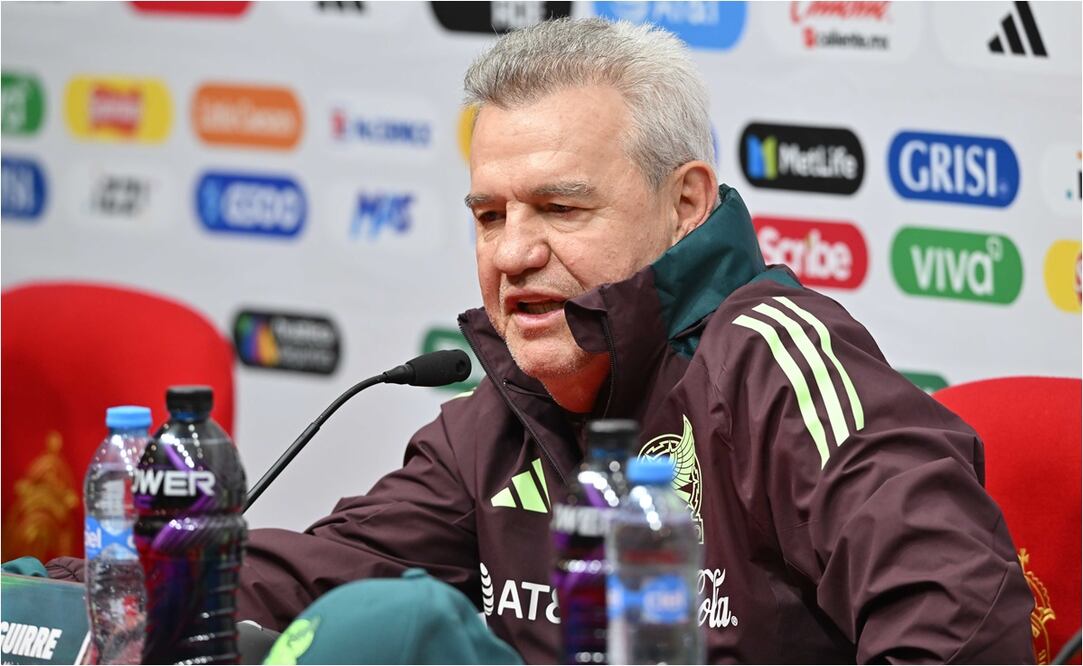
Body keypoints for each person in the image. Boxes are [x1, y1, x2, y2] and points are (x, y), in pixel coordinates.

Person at [47, 18, 1035, 663]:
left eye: (560, 208)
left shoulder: (777, 363)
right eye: (488, 216)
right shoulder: (498, 417)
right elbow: (310, 579)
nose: (513, 253)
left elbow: (959, 621)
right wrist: (51, 600)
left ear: (686, 204)